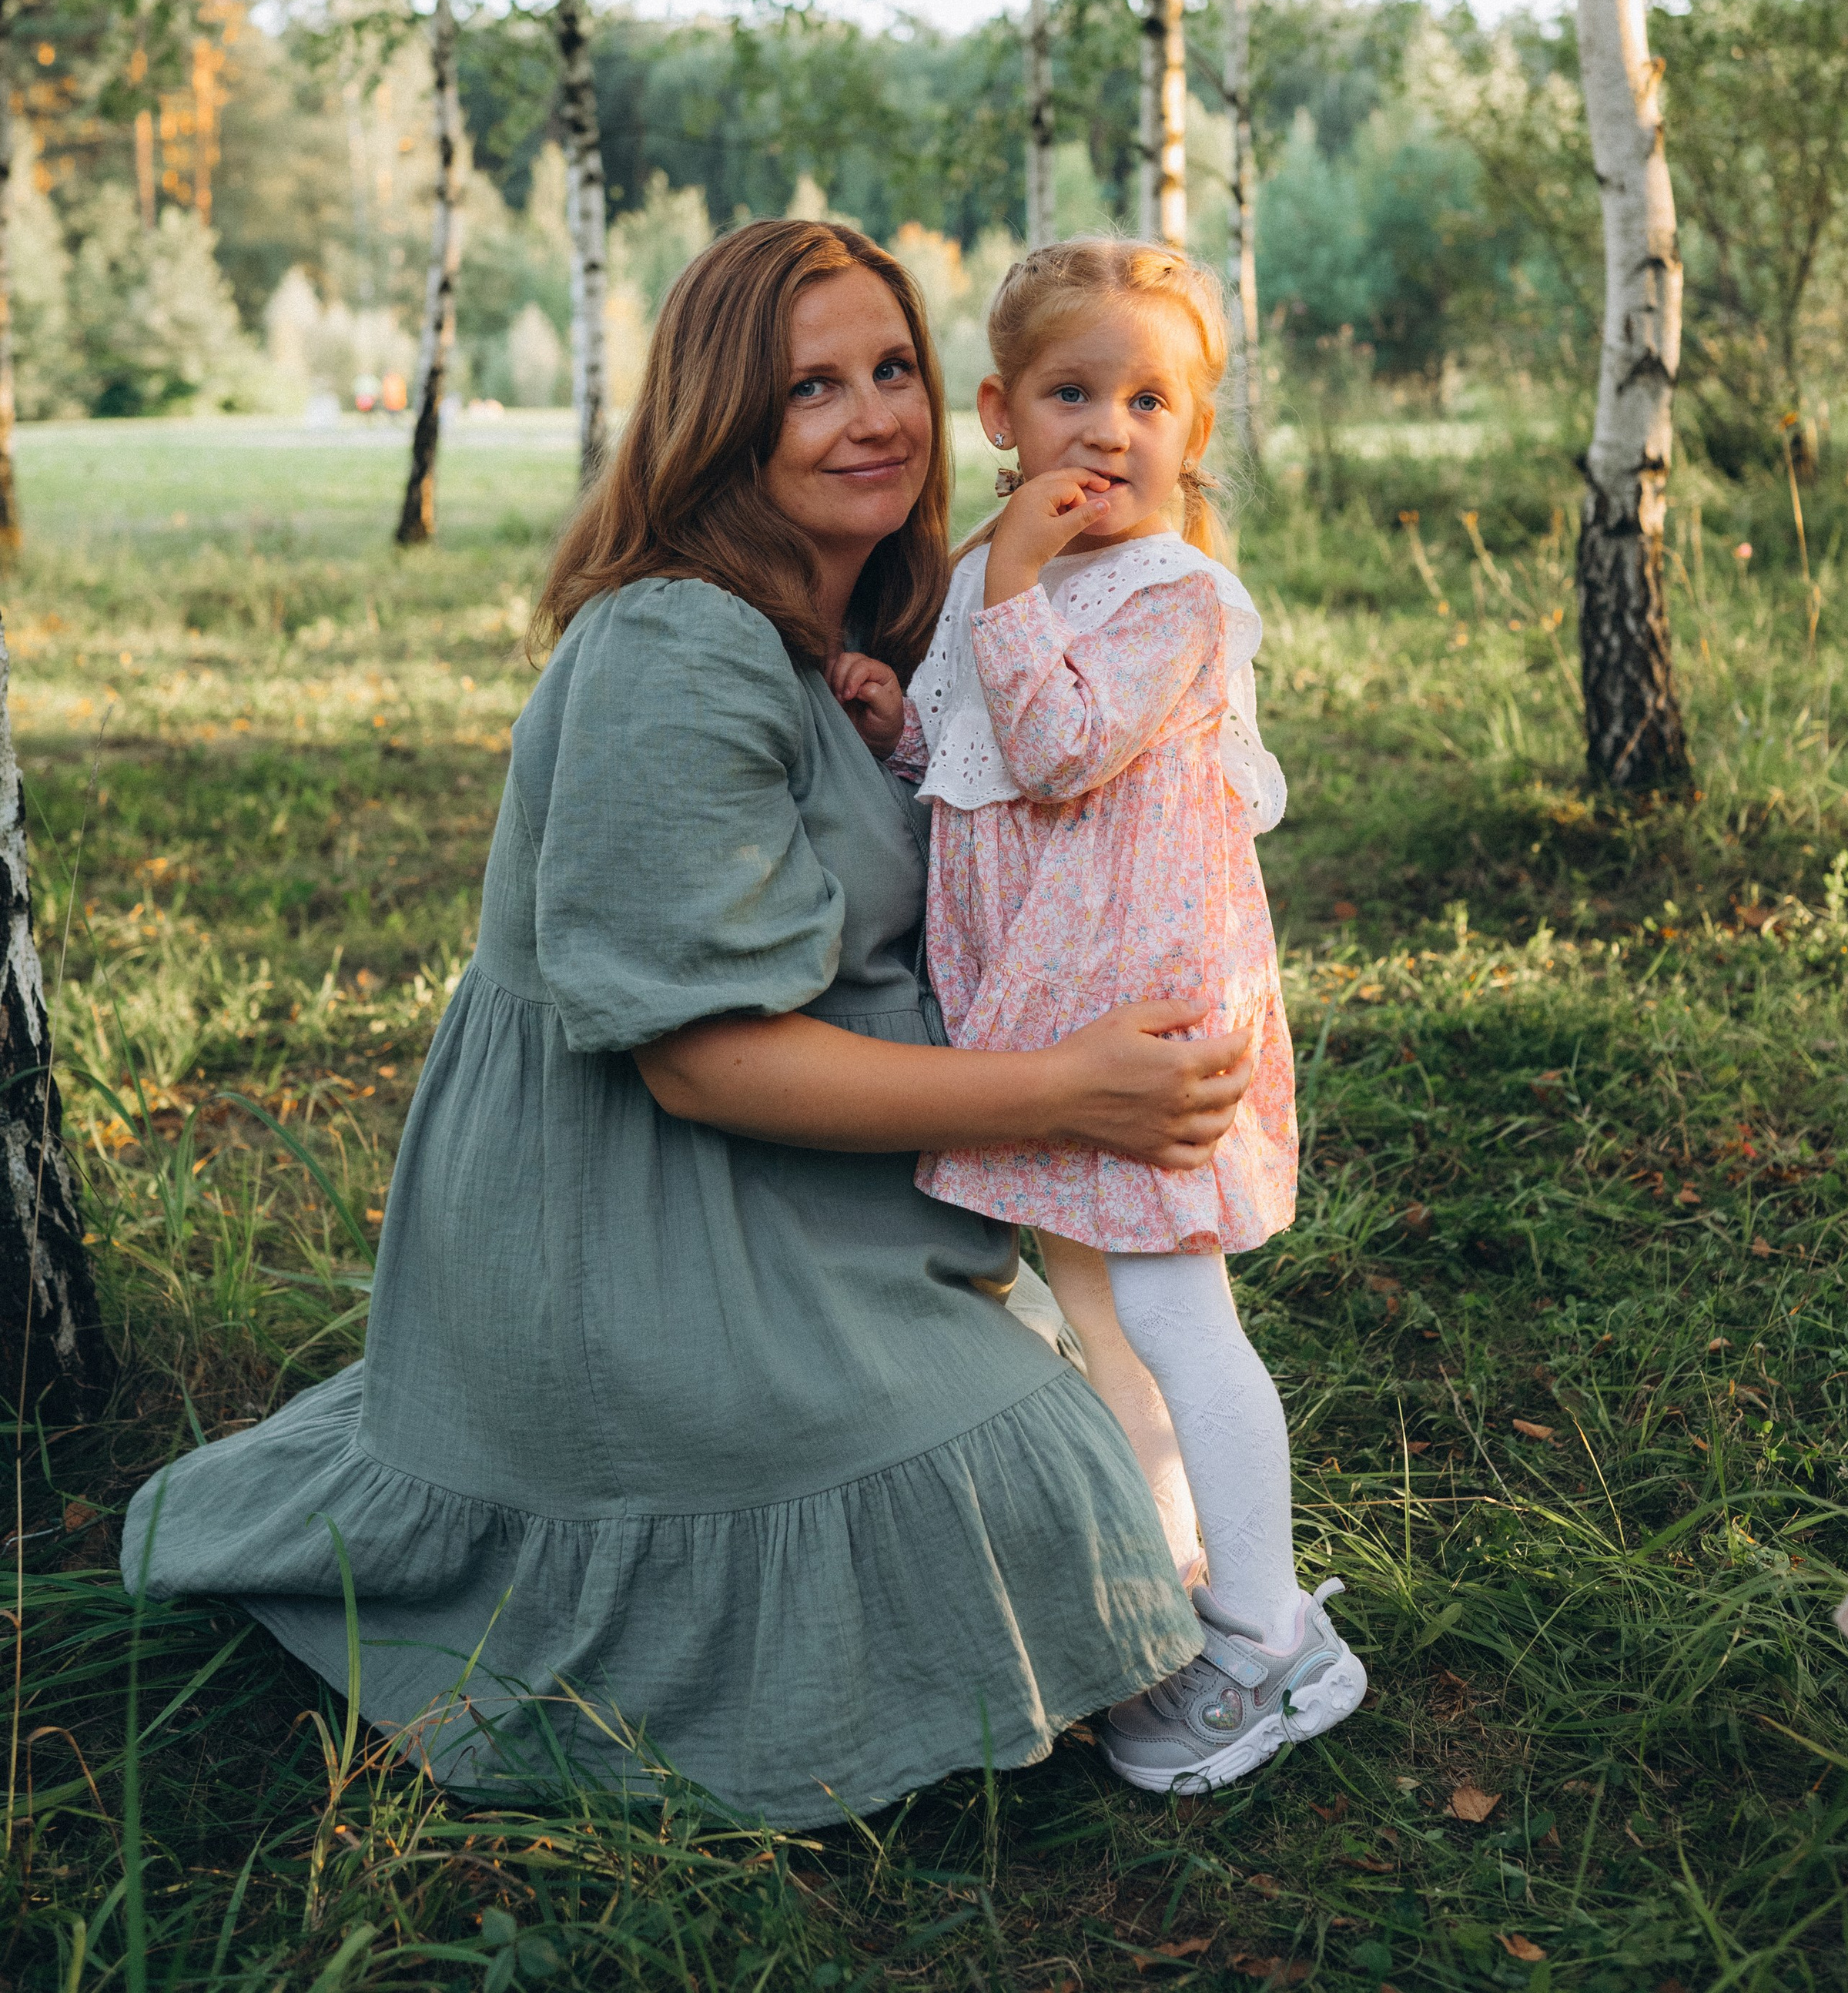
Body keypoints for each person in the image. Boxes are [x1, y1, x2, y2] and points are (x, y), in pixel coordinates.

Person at [120, 219, 1257, 1829]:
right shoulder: (677, 640)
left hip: (798, 1195)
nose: (870, 416)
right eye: (809, 386)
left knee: (1089, 1480)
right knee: (1033, 1497)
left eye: (889, 372)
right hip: (626, 1218)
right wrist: (1066, 1090)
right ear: (722, 414)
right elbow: (703, 1060)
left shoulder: (866, 622)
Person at [829, 237, 1366, 1794]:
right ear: (999, 410)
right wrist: (891, 715)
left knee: (1178, 1312)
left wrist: (994, 582)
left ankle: (1268, 1634)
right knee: (1092, 1313)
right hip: (1033, 1026)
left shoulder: (1176, 595)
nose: (1106, 430)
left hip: (1137, 1035)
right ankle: (1167, 1595)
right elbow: (963, 773)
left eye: (1149, 398)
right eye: (1070, 392)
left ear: (1192, 431)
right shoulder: (1007, 585)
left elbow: (1056, 749)